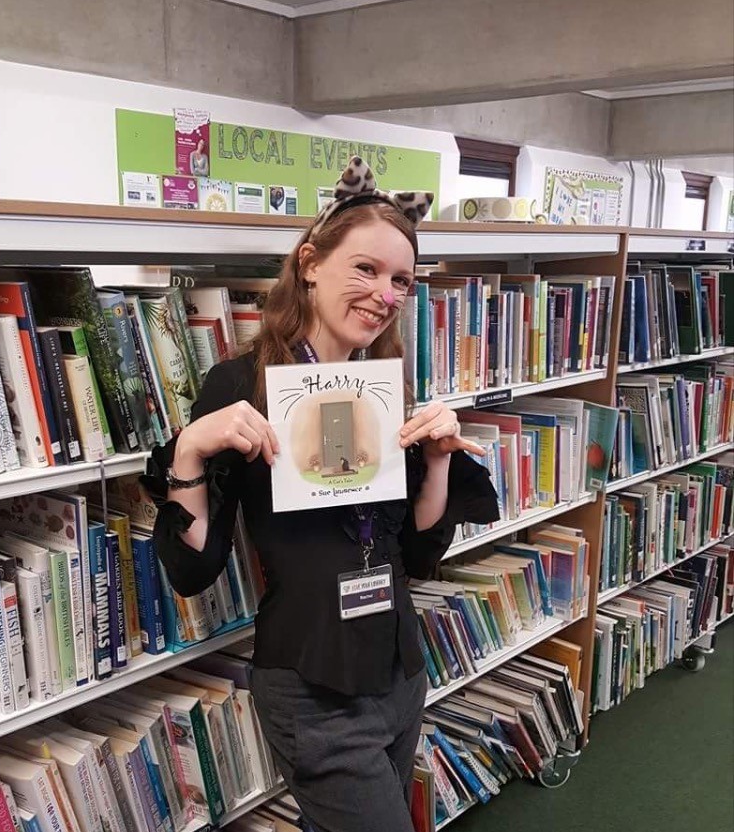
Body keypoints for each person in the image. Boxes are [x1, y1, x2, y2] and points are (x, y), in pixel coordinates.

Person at [143, 156, 500, 832]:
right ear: (310, 262)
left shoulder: (384, 387)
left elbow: (419, 548)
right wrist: (190, 447)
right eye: (366, 269)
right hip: (312, 687)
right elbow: (193, 569)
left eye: (401, 280)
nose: (385, 293)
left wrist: (442, 457)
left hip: (398, 672)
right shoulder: (240, 384)